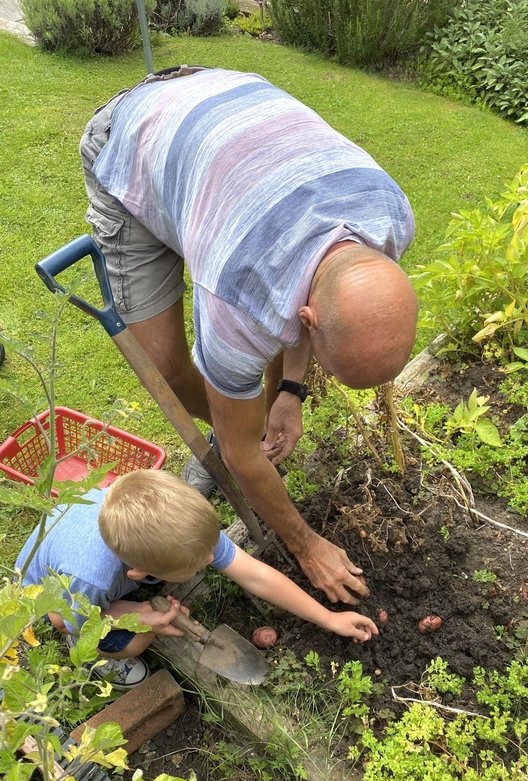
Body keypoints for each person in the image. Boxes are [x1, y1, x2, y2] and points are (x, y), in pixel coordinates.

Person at [79, 66, 418, 606]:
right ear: (306, 319)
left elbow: (316, 285)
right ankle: (234, 419)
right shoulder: (240, 298)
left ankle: (246, 416)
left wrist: (291, 391)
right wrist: (307, 546)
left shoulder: (389, 216)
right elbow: (240, 451)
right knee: (164, 362)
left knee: (250, 395)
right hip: (135, 139)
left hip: (227, 123)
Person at [15, 469, 379, 688]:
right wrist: (141, 617)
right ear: (140, 572)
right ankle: (112, 661)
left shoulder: (177, 526)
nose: (211, 559)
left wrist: (329, 618)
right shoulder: (89, 580)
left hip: (93, 557)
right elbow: (66, 623)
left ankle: (132, 601)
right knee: (133, 640)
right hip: (51, 591)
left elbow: (254, 574)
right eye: (198, 564)